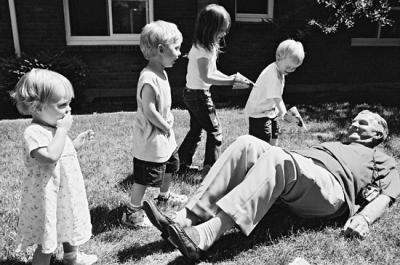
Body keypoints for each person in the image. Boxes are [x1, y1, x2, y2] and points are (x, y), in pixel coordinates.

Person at [143, 110, 400, 260]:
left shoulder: (383, 159)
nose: (354, 123)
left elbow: (389, 193)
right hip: (301, 169)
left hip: (332, 191)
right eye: (354, 120)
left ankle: (205, 236)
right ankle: (186, 218)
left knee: (278, 159)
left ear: (378, 135)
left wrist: (364, 218)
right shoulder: (339, 144)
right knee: (246, 143)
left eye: (362, 123)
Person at [10, 69, 98, 265]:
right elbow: (49, 156)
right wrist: (63, 130)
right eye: (62, 105)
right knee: (47, 240)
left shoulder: (55, 129)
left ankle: (71, 256)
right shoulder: (34, 132)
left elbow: (62, 152)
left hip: (65, 191)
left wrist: (74, 142)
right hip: (48, 195)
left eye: (69, 104)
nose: (68, 110)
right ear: (37, 107)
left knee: (68, 222)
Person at [121, 20, 188, 229]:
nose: (179, 53)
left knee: (169, 165)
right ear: (160, 49)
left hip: (164, 134)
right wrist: (163, 125)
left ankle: (164, 197)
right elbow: (149, 109)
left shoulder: (161, 71)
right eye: (176, 48)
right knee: (144, 176)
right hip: (151, 136)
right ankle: (132, 211)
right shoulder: (149, 78)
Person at [178, 4, 251, 173]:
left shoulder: (206, 47)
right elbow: (206, 77)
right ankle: (210, 169)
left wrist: (230, 78)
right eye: (222, 30)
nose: (224, 34)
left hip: (191, 94)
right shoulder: (203, 50)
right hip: (198, 96)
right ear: (210, 28)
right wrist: (229, 83)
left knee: (196, 130)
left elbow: (213, 72)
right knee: (215, 131)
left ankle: (181, 165)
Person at [244, 39, 305, 146]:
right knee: (262, 142)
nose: (290, 70)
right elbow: (277, 98)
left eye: (294, 68)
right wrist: (285, 114)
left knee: (274, 136)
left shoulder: (279, 70)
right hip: (258, 114)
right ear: (278, 58)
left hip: (270, 111)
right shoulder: (273, 75)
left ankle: (272, 157)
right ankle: (259, 160)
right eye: (288, 67)